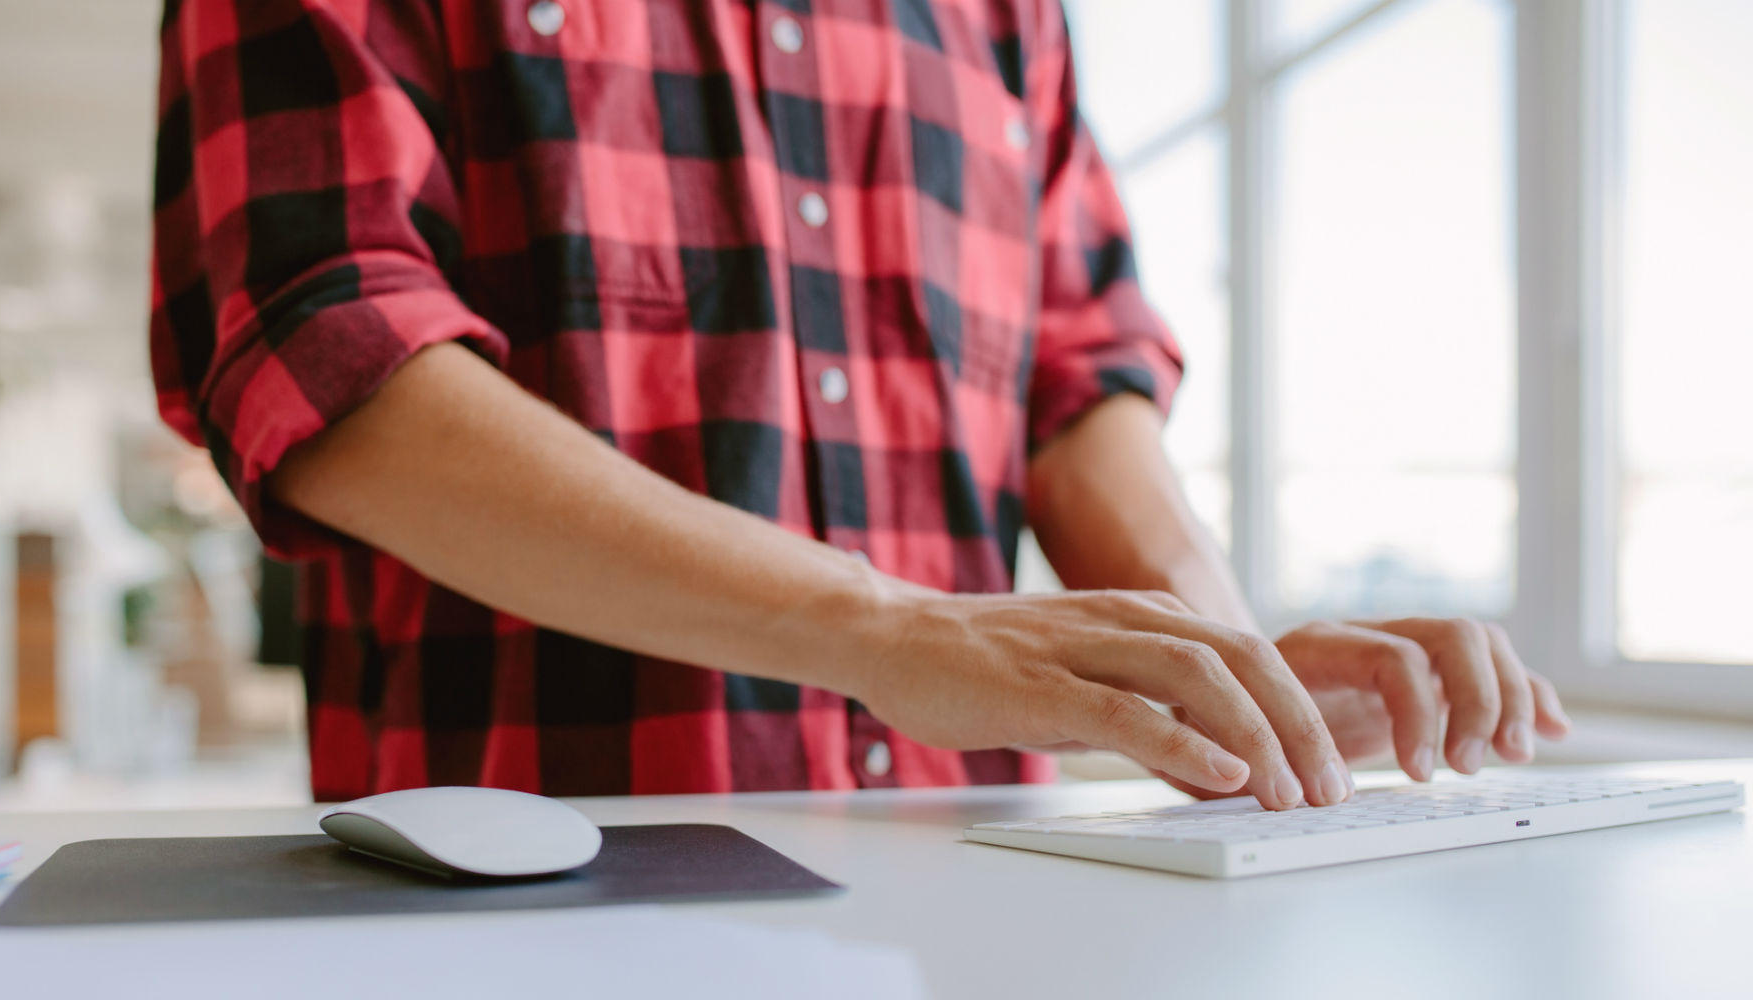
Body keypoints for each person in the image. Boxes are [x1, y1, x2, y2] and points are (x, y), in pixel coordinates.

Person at [150, 0, 1570, 808]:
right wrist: (888, 632)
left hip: (976, 897)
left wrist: (1232, 673)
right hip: (541, 890)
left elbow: (1080, 374)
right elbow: (329, 363)